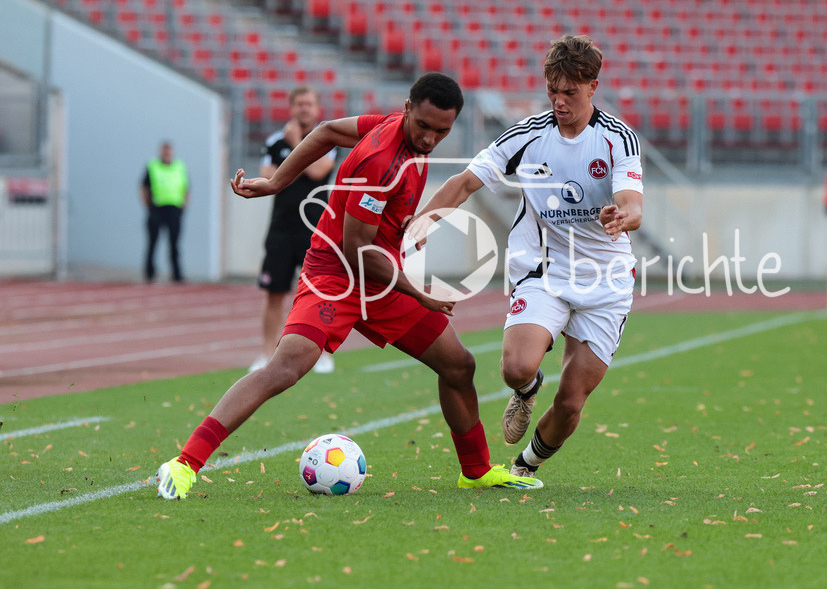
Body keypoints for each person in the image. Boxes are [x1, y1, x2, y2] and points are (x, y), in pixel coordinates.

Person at [155, 73, 543, 500]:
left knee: (458, 365)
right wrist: (419, 291)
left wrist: (277, 181)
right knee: (285, 368)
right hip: (337, 274)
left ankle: (476, 471)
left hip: (381, 274)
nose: (431, 139)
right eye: (425, 127)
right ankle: (184, 463)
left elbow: (326, 131)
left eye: (442, 131)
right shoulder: (379, 164)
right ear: (409, 109)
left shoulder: (393, 123)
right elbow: (357, 249)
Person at [411, 36, 643, 481]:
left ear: (593, 87)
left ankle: (524, 466)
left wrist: (623, 216)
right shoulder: (527, 135)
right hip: (545, 269)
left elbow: (632, 202)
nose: (559, 101)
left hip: (606, 280)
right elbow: (465, 182)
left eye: (569, 93)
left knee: (572, 402)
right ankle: (528, 387)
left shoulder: (616, 139)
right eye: (552, 91)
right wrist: (421, 225)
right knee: (516, 368)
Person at [250, 86, 337, 375]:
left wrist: (296, 145)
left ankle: (321, 354)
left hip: (315, 230)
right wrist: (292, 165)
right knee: (274, 293)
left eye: (309, 104)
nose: (304, 109)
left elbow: (318, 172)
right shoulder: (275, 141)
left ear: (317, 108)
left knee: (318, 293)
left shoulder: (327, 138)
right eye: (299, 104)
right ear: (291, 107)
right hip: (281, 229)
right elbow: (268, 177)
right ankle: (266, 353)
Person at [140, 141, 189, 283]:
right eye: (164, 151)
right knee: (152, 242)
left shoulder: (179, 167)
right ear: (161, 152)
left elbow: (186, 188)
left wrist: (182, 207)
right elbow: (144, 188)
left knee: (174, 244)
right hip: (157, 208)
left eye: (169, 151)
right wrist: (148, 206)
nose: (167, 154)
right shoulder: (152, 166)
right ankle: (149, 273)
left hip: (174, 209)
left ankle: (177, 274)